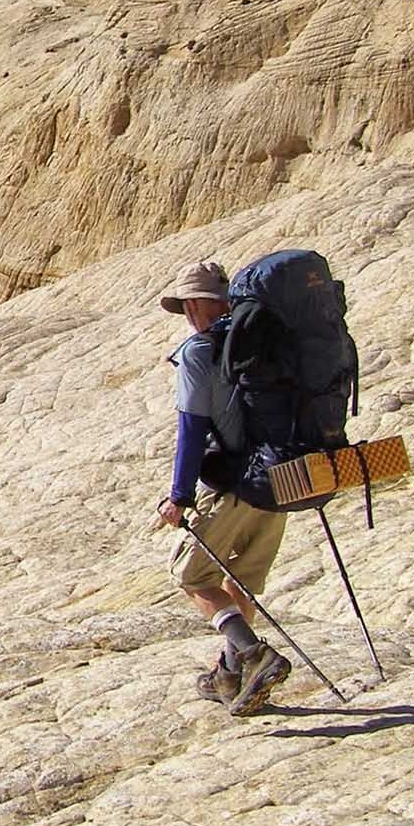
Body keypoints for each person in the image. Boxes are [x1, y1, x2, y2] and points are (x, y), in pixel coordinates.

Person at [155, 261, 291, 715]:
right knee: (243, 581)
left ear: (194, 306)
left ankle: (252, 654)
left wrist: (179, 496)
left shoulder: (199, 352)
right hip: (287, 477)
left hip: (237, 479)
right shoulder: (267, 339)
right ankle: (231, 677)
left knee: (191, 575)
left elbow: (192, 428)